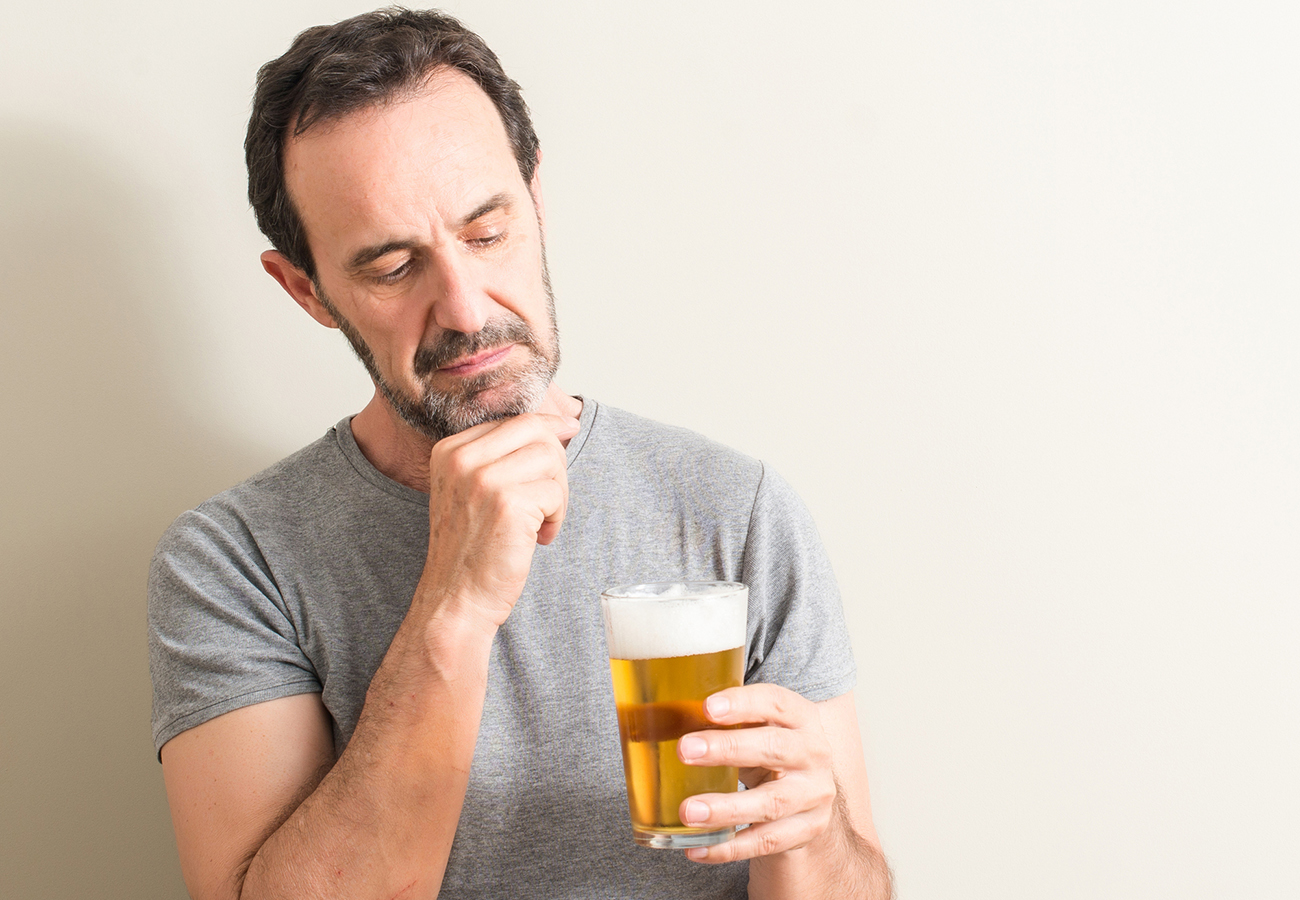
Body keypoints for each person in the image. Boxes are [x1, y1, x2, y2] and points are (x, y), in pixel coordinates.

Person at [148, 8, 892, 899]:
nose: (465, 306)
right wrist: (451, 611)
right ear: (307, 288)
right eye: (391, 267)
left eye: (487, 231)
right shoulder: (235, 561)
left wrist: (812, 840)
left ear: (536, 202)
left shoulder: (736, 508)